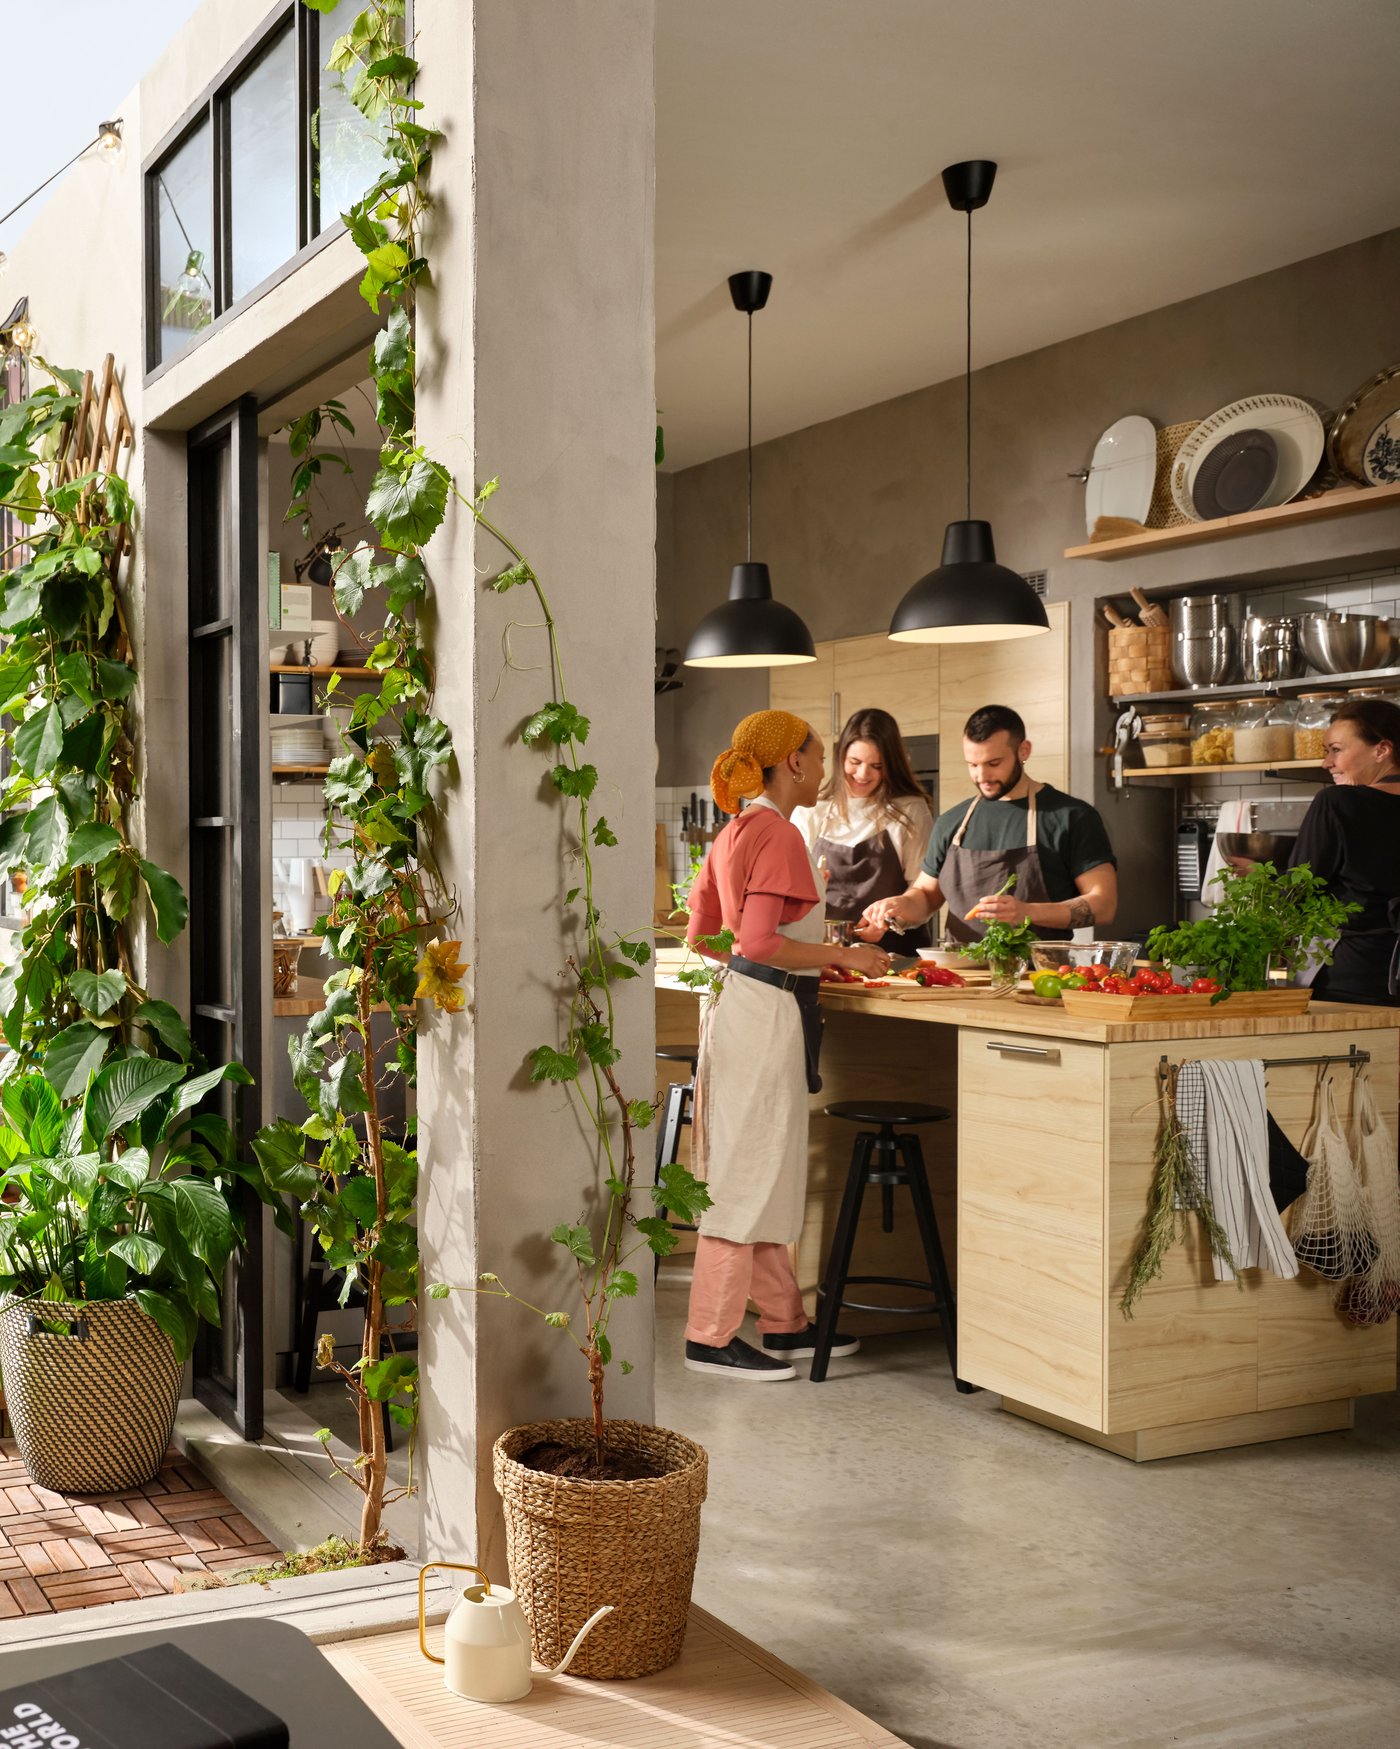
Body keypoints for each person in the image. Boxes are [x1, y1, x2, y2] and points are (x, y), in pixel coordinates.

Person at [682, 709, 887, 1381]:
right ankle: (709, 1335)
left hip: (741, 1006)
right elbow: (762, 941)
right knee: (744, 1175)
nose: (825, 768)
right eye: (820, 754)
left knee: (764, 1169)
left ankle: (785, 1322)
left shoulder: (734, 830)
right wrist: (843, 955)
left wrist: (781, 964)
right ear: (792, 762)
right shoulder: (778, 834)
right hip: (763, 1011)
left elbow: (704, 938)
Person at [858, 704, 1117, 945]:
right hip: (959, 978)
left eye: (994, 763)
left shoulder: (1071, 817)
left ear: (1023, 751)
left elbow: (1104, 904)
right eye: (973, 765)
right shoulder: (952, 822)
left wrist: (1027, 912)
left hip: (1037, 977)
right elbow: (926, 895)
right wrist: (899, 906)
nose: (982, 776)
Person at [793, 707, 935, 953]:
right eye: (855, 762)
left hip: (895, 957)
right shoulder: (812, 809)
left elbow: (924, 892)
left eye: (876, 766)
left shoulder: (910, 810)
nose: (862, 774)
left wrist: (893, 917)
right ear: (840, 759)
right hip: (824, 955)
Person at [1288, 697, 1400, 1007]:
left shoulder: (1337, 802)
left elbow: (1297, 890)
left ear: (1382, 749)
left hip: (1348, 978)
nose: (1326, 763)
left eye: (1336, 750)